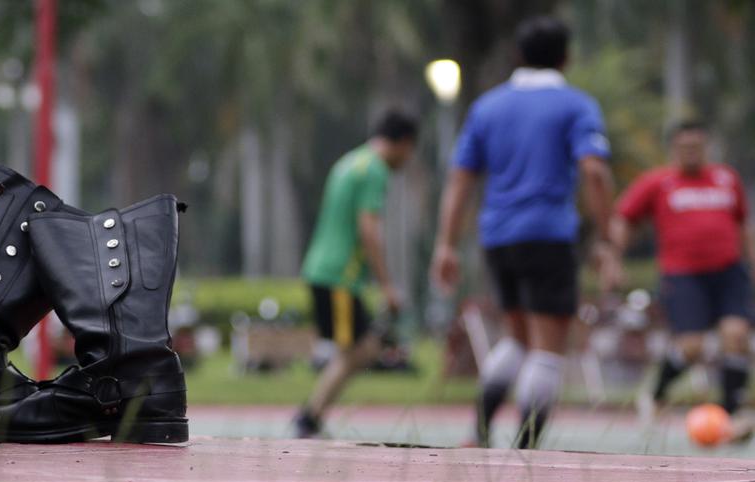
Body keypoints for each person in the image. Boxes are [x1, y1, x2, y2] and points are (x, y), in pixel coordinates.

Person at [430, 15, 618, 449]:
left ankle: (477, 432)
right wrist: (608, 236)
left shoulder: (487, 106)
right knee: (548, 348)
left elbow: (460, 180)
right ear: (566, 57)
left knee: (515, 337)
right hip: (548, 234)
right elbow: (594, 171)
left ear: (518, 55)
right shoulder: (576, 105)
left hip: (497, 237)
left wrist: (445, 245)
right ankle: (524, 451)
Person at [610, 121, 753, 428]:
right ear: (674, 149)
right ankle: (656, 393)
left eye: (697, 147)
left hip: (729, 271)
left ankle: (730, 415)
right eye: (684, 147)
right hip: (683, 275)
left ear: (707, 147)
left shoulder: (726, 179)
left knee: (736, 334)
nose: (691, 153)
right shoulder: (658, 182)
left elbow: (743, 226)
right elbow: (624, 218)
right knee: (692, 346)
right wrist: (615, 259)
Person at [293, 109, 418, 438]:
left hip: (324, 270)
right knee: (359, 351)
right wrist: (387, 286)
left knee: (359, 350)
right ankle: (309, 419)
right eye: (410, 150)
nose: (408, 158)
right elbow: (369, 229)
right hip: (339, 276)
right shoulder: (375, 171)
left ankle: (311, 417)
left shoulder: (351, 161)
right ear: (403, 143)